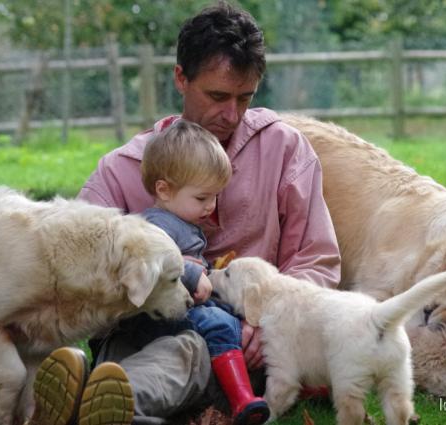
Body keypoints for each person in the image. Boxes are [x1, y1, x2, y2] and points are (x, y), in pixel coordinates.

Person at [31, 2, 340, 424]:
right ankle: (106, 401)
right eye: (217, 96)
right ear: (181, 77)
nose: (231, 115)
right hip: (134, 330)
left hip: (236, 342)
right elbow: (74, 268)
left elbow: (315, 260)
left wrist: (272, 323)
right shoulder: (122, 167)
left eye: (244, 98)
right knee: (144, 349)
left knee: (197, 345)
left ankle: (87, 400)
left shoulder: (285, 149)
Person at [139, 118, 270, 424]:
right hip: (162, 315)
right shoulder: (155, 225)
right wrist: (190, 273)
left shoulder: (184, 223)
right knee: (221, 325)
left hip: (187, 310)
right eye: (202, 198)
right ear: (164, 190)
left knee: (232, 321)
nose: (210, 206)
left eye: (215, 196)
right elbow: (151, 256)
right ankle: (241, 399)